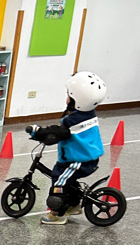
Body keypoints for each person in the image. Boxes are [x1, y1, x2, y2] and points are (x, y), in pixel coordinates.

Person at [27, 71, 106, 225]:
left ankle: (57, 215)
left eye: (69, 95)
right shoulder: (87, 113)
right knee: (67, 179)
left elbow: (58, 132)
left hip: (79, 161)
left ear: (78, 99)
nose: (67, 98)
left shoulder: (73, 120)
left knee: (59, 181)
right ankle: (74, 205)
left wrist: (38, 132)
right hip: (84, 157)